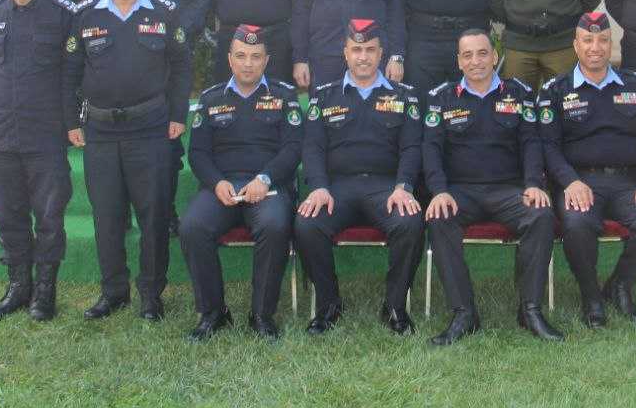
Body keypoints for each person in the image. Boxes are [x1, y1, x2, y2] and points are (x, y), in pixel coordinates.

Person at [66, 0, 193, 322]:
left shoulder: (164, 13)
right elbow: (69, 72)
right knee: (107, 216)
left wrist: (177, 115)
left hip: (150, 128)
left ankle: (151, 295)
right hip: (101, 131)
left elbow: (182, 66)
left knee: (153, 216)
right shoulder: (85, 14)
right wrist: (70, 121)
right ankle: (114, 292)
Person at [422, 28, 562, 345]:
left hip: (508, 191)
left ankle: (530, 310)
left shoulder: (519, 94)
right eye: (468, 55)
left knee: (540, 215)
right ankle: (464, 313)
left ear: (495, 56)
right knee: (439, 217)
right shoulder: (441, 97)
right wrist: (439, 190)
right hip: (460, 192)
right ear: (459, 61)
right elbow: (430, 149)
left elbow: (531, 142)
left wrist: (533, 184)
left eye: (483, 53)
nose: (476, 61)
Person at [538, 12, 636, 328]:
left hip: (630, 183)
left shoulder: (635, 85)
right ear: (576, 45)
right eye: (588, 40)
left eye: (602, 40)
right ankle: (591, 297)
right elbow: (548, 147)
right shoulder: (555, 90)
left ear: (612, 44)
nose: (595, 47)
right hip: (581, 183)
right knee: (576, 223)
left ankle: (619, 284)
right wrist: (569, 182)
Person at [293, 19, 424, 336]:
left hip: (386, 188)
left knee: (410, 222)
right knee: (307, 225)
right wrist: (319, 187)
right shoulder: (324, 97)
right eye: (356, 50)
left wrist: (404, 187)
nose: (363, 57)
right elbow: (312, 148)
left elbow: (411, 148)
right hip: (337, 189)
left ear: (381, 54)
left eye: (369, 50)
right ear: (345, 53)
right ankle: (329, 304)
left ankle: (395, 306)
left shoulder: (404, 97)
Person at [95, 0, 210, 236]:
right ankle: (124, 212)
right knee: (122, 143)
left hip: (169, 60)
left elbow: (200, 2)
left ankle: (165, 211)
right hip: (124, 59)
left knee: (167, 143)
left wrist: (171, 37)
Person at [181, 24, 303, 342]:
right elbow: (198, 153)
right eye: (241, 56)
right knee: (192, 227)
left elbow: (293, 149)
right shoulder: (210, 98)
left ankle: (261, 315)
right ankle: (213, 312)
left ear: (266, 60)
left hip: (268, 186)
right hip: (222, 187)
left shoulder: (284, 96)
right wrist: (216, 183)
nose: (248, 63)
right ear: (229, 59)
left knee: (274, 226)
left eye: (255, 56)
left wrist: (265, 178)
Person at [0, 0, 75, 322]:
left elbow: (71, 76)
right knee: (7, 211)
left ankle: (45, 291)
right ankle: (18, 286)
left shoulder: (62, 15)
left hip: (44, 132)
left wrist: (71, 123)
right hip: (1, 132)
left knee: (49, 215)